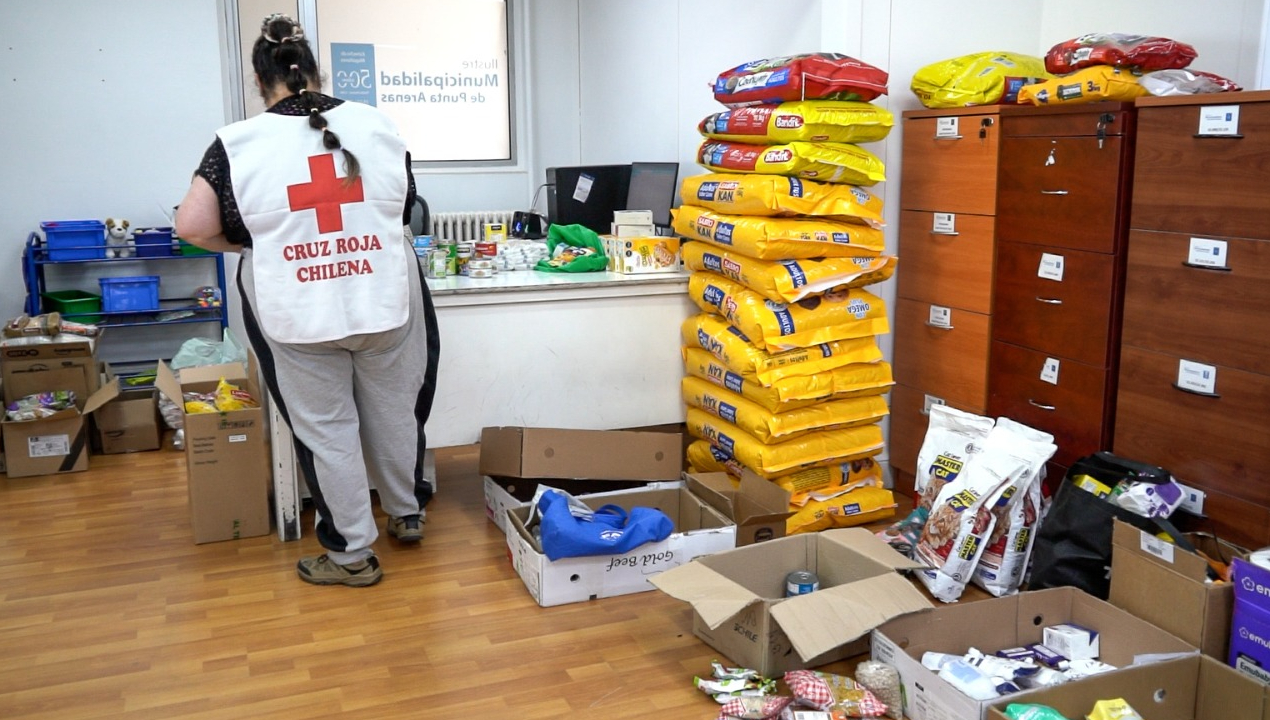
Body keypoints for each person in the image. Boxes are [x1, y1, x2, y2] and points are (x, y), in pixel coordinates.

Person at [175, 13, 440, 587]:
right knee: (396, 411)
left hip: (295, 309)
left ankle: (351, 554)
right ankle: (406, 512)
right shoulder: (376, 124)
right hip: (383, 294)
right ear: (316, 70)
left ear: (258, 80)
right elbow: (404, 206)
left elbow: (191, 225)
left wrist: (251, 244)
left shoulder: (235, 144)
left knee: (327, 430)